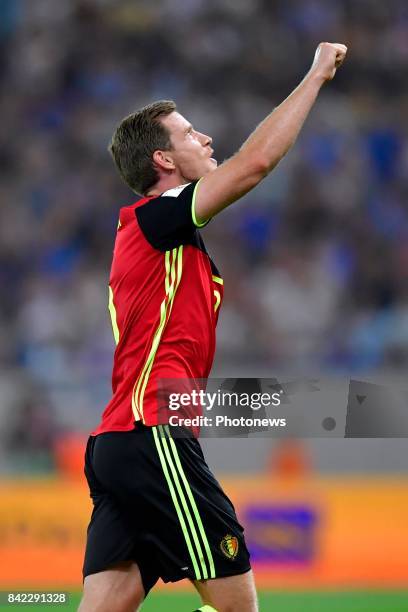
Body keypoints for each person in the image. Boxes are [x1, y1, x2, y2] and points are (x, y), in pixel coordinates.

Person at [79, 41, 347, 612]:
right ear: (164, 162)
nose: (205, 139)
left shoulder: (161, 242)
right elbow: (255, 165)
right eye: (189, 133)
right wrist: (316, 76)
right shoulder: (157, 218)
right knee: (237, 606)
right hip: (153, 437)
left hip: (121, 443)